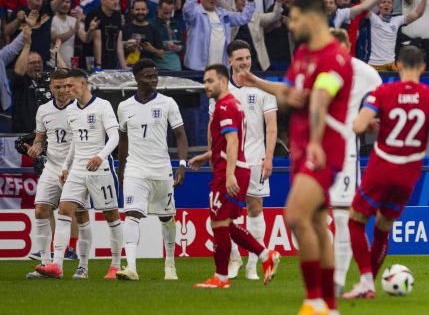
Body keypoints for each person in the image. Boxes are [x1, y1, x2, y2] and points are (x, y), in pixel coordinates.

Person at [238, 0, 354, 315]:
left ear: (312, 17)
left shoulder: (336, 58)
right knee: (318, 225)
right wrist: (257, 82)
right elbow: (292, 93)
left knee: (295, 215)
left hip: (323, 150)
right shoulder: (303, 54)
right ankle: (330, 312)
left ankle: (313, 302)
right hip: (304, 149)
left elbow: (319, 99)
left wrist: (316, 141)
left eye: (294, 18)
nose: (289, 25)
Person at [342, 46, 429, 299]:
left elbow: (359, 126)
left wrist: (369, 122)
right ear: (423, 68)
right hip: (408, 174)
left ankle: (366, 281)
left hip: (382, 167)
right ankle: (369, 282)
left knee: (355, 220)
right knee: (384, 225)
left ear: (397, 66)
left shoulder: (383, 91)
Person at [188, 40, 280, 280]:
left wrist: (269, 156)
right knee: (228, 218)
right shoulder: (222, 92)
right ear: (229, 61)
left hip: (254, 160)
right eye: (239, 58)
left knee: (252, 210)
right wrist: (211, 156)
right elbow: (213, 130)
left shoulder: (262, 89)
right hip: (230, 161)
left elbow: (271, 127)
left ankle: (252, 265)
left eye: (247, 58)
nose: (244, 62)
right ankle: (237, 260)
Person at [36, 70, 124, 280]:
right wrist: (66, 165)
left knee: (111, 215)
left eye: (70, 86)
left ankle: (115, 265)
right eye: (63, 86)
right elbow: (75, 142)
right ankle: (57, 265)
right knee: (65, 211)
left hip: (100, 168)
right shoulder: (72, 110)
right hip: (76, 169)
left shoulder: (102, 105)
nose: (66, 90)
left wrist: (101, 156)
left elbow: (114, 136)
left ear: (83, 84)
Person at [114, 61, 188, 281]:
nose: (153, 80)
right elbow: (123, 140)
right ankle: (132, 267)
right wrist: (121, 168)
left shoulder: (167, 103)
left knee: (166, 218)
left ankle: (170, 264)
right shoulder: (125, 107)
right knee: (131, 214)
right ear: (137, 78)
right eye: (147, 76)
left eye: (155, 76)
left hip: (161, 169)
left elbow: (181, 135)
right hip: (136, 169)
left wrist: (182, 164)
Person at [327, 28, 383, 295]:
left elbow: (381, 101)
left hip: (345, 152)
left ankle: (336, 281)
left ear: (348, 46)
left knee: (342, 218)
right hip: (314, 150)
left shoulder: (365, 73)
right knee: (302, 217)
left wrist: (368, 119)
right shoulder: (317, 67)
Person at [25, 69, 92, 279]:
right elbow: (40, 138)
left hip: (75, 167)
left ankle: (82, 266)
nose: (63, 90)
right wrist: (35, 147)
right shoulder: (44, 110)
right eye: (58, 87)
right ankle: (46, 263)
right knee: (41, 210)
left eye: (66, 86)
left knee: (80, 214)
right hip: (52, 166)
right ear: (51, 88)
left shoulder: (80, 108)